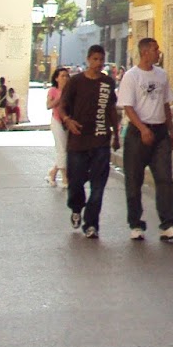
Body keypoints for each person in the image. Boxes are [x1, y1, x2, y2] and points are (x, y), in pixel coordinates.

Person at [119, 37, 173, 241]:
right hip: (138, 132)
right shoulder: (131, 76)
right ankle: (135, 223)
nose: (158, 52)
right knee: (134, 179)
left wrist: (171, 130)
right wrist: (142, 128)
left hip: (160, 130)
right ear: (145, 52)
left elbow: (166, 104)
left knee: (164, 177)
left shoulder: (162, 75)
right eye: (155, 49)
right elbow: (128, 107)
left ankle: (168, 223)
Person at [58, 45, 120, 238]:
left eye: (101, 60)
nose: (98, 63)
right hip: (78, 141)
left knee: (98, 185)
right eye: (94, 59)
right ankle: (76, 208)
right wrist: (68, 121)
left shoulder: (108, 83)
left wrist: (116, 134)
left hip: (100, 139)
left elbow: (111, 108)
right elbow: (62, 106)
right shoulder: (76, 82)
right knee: (76, 181)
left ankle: (91, 223)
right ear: (88, 60)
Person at [45, 67, 70, 187]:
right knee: (62, 150)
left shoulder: (71, 90)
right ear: (56, 78)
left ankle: (53, 172)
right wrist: (59, 98)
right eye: (62, 76)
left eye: (66, 76)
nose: (65, 78)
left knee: (65, 149)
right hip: (57, 121)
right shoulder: (53, 91)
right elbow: (48, 105)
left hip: (68, 122)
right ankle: (65, 178)